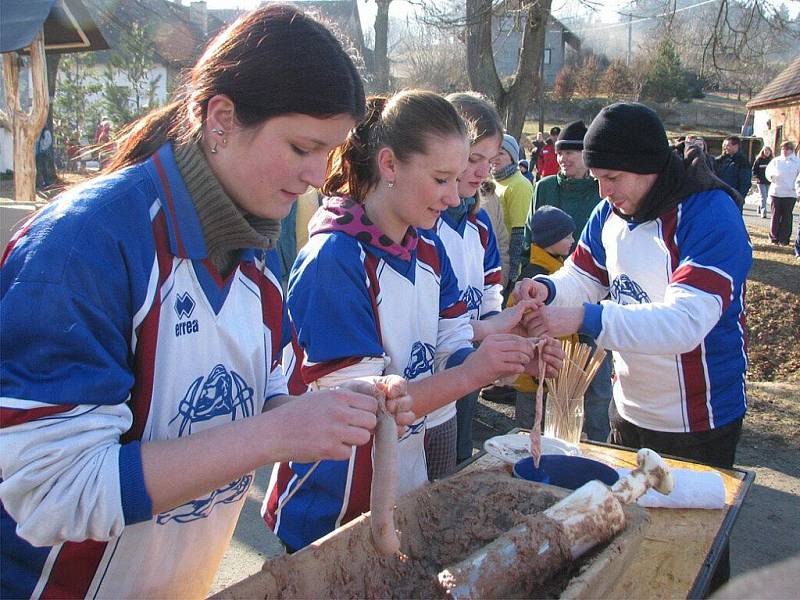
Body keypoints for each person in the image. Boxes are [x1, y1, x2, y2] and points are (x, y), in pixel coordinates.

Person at [0, 7, 415, 599]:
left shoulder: (254, 244)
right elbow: (51, 494)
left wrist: (331, 406)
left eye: (330, 151)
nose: (319, 176)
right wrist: (273, 436)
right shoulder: (85, 245)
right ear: (220, 118)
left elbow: (259, 396)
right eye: (302, 146)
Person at [263, 91, 563, 551]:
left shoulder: (427, 248)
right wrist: (474, 373)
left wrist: (508, 359)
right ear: (389, 165)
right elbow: (359, 415)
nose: (453, 195)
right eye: (442, 178)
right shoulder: (334, 259)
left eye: (459, 177)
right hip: (330, 508)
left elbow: (452, 345)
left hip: (403, 490)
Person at [514, 102, 751, 591]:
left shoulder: (710, 214)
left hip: (699, 417)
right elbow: (583, 275)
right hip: (631, 410)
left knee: (694, 546)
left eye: (614, 177)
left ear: (650, 166)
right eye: (598, 177)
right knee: (629, 535)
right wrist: (549, 290)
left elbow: (685, 325)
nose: (604, 191)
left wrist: (583, 317)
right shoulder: (610, 211)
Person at [520, 120, 613, 442]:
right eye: (560, 152)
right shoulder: (544, 187)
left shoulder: (601, 195)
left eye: (572, 152)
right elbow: (528, 239)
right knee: (548, 379)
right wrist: (530, 277)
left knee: (596, 383)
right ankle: (546, 442)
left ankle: (598, 441)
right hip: (549, 291)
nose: (564, 158)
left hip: (592, 300)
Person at [436, 91, 506, 464]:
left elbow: (491, 291)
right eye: (473, 159)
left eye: (491, 163)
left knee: (462, 455)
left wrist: (497, 330)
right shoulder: (425, 225)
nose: (482, 172)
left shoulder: (479, 224)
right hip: (432, 377)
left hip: (470, 363)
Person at [512, 206, 580, 429]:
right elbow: (530, 327)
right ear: (551, 240)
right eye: (567, 236)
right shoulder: (536, 276)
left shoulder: (558, 270)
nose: (572, 240)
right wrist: (539, 371)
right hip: (537, 380)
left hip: (553, 374)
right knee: (530, 432)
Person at [491, 134, 534, 290]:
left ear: (512, 158)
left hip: (506, 265)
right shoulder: (492, 183)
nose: (495, 158)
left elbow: (519, 233)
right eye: (493, 152)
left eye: (501, 153)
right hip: (492, 260)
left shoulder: (519, 185)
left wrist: (513, 273)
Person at [765, 140, 800, 246]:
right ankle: (774, 237)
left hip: (790, 193)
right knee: (775, 215)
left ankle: (784, 238)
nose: (785, 151)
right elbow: (768, 172)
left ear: (792, 150)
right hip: (776, 191)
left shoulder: (797, 162)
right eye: (783, 149)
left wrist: (797, 191)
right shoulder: (776, 161)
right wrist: (771, 176)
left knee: (787, 216)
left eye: (787, 149)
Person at [478, 179, 510, 280]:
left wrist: (500, 280)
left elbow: (502, 241)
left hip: (491, 287)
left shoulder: (490, 195)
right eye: (472, 162)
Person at [714, 135, 751, 212]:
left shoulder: (742, 161)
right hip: (720, 196)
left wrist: (739, 197)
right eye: (724, 145)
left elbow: (745, 182)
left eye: (727, 145)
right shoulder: (722, 160)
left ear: (736, 146)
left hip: (734, 198)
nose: (725, 148)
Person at [752, 146, 773, 219]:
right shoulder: (759, 160)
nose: (766, 152)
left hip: (768, 181)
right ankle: (764, 212)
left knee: (765, 196)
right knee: (763, 196)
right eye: (765, 151)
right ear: (763, 151)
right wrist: (756, 177)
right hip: (760, 181)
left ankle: (759, 207)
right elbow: (754, 170)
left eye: (768, 151)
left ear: (770, 152)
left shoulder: (772, 161)